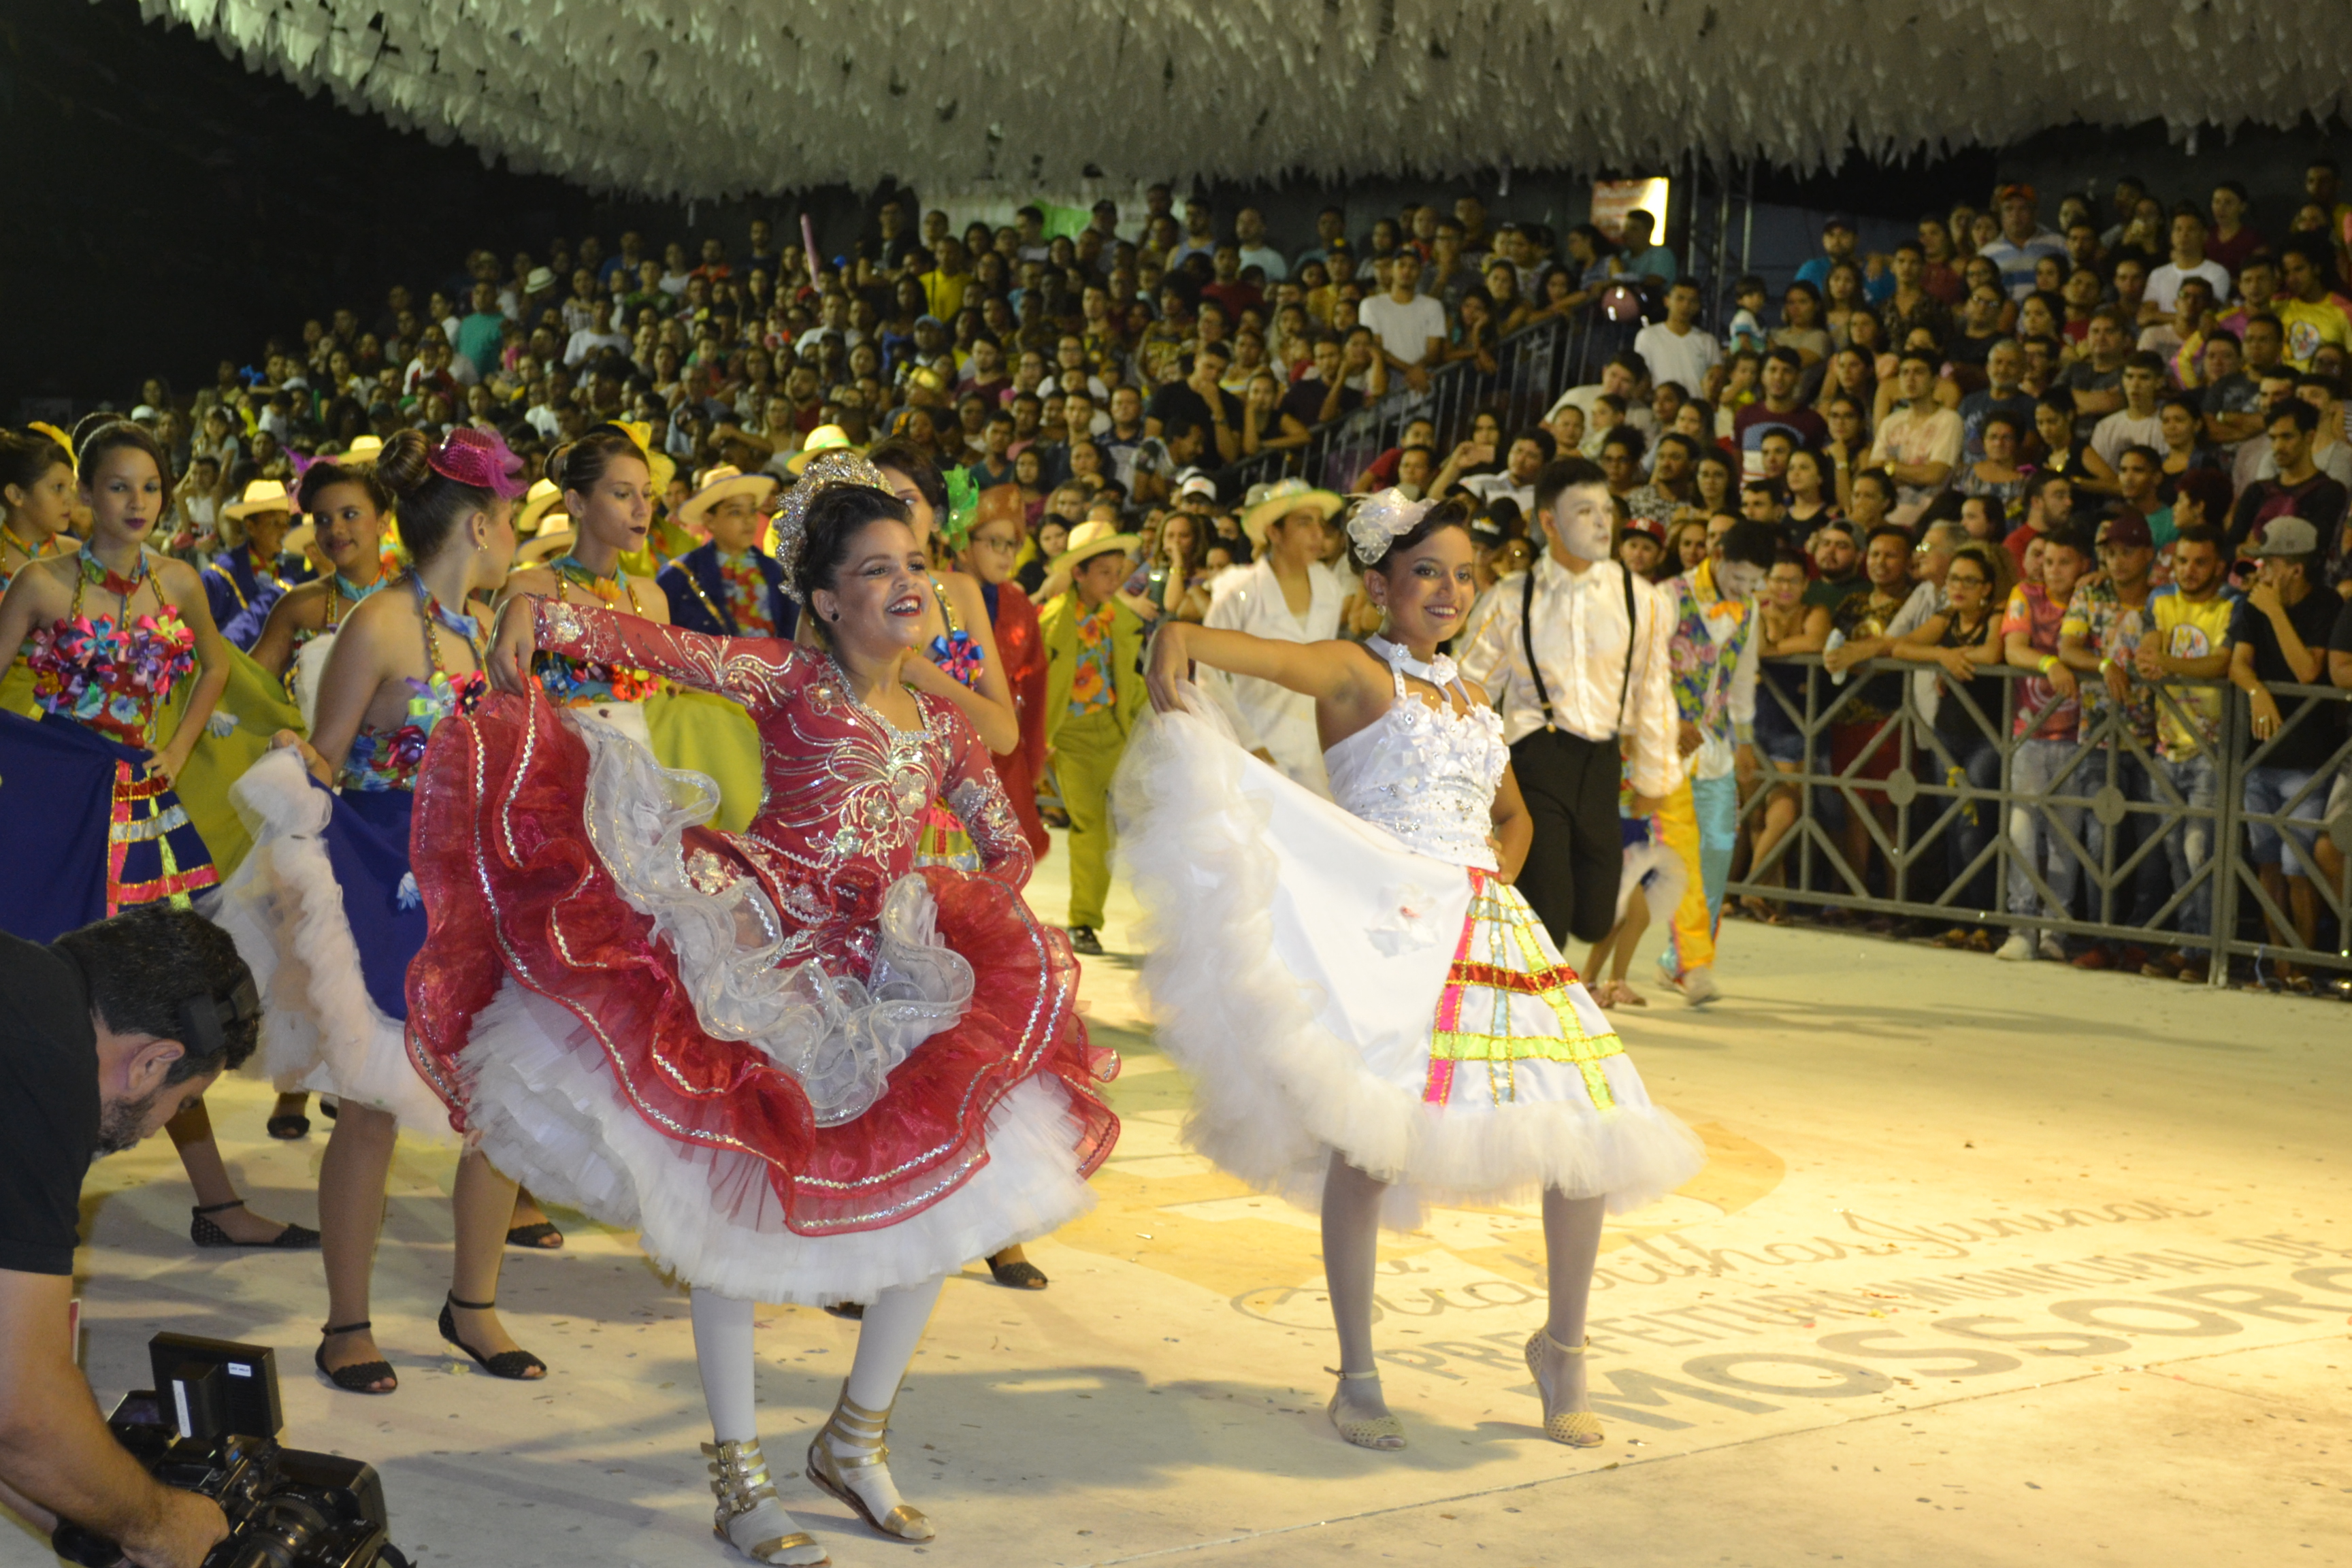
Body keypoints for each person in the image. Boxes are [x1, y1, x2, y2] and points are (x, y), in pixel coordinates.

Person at [420, 454, 1119, 1565]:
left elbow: (1010, 841)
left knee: (937, 1201)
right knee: (735, 1222)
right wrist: (527, 601)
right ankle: (740, 1477)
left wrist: (953, 903)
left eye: (918, 563)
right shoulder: (787, 680)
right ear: (829, 598)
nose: (907, 582)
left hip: (887, 979)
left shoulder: (942, 728)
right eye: (876, 567)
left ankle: (856, 1435)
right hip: (760, 959)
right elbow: (638, 643)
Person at [1122, 491, 1703, 1454]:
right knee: (1372, 1144)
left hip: (1487, 929)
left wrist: (1489, 882)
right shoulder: (1354, 673)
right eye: (1427, 571)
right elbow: (1212, 645)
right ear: (1380, 583)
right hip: (1388, 933)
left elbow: (1510, 816)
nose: (1450, 590)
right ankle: (1357, 1370)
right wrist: (1171, 643)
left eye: (1465, 574)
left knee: (1591, 1129)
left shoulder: (1473, 700)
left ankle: (1563, 1350)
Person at [206, 427, 548, 1395]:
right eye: (513, 518)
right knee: (369, 1108)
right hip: (387, 878)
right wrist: (293, 764)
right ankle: (347, 1320)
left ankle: (473, 1304)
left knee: (499, 1106)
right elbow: (329, 748)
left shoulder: (491, 624)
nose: (518, 534)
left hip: (482, 882)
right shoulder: (378, 624)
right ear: (479, 524)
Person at [0, 905, 261, 1568]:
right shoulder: (48, 1069)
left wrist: (103, 1534)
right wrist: (160, 1524)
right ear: (152, 1063)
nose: (159, 1127)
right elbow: (20, 1409)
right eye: (186, 1102)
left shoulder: (24, 989)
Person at [1458, 458, 1678, 954]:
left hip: (1602, 762)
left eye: (1605, 510)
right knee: (1548, 914)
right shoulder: (1513, 599)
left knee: (1597, 917)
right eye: (1585, 511)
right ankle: (1541, 1011)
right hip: (1535, 758)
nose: (1602, 523)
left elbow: (1653, 689)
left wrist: (1654, 776)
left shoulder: (1639, 598)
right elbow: (1470, 688)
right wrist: (1467, 772)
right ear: (1550, 522)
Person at [1648, 521, 1772, 1004]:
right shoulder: (1667, 596)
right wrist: (1667, 720)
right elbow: (1643, 668)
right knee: (1680, 857)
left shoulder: (1749, 609)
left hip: (1715, 748)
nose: (1745, 589)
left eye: (1754, 582)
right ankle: (1693, 966)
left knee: (1718, 850)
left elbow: (1742, 678)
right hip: (1664, 749)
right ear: (1718, 555)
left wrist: (1744, 741)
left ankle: (1677, 961)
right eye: (1739, 577)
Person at [2229, 517, 2336, 990]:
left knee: (2299, 867)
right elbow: (2238, 664)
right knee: (2267, 862)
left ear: (2293, 567)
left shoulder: (2325, 605)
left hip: (2308, 759)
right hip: (2260, 757)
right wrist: (2256, 692)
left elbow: (2308, 670)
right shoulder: (2254, 604)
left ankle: (2302, 964)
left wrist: (2275, 614)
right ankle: (2275, 964)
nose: (2262, 570)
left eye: (2269, 561)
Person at [2137, 525, 2240, 984]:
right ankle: (2190, 944)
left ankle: (2211, 948)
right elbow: (2147, 646)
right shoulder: (2159, 599)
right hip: (2168, 741)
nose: (2190, 571)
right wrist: (2151, 655)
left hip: (2212, 744)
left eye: (2200, 562)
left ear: (2218, 565)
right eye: (2182, 561)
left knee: (2202, 849)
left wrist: (2169, 664)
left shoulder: (2231, 604)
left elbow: (2221, 662)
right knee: (2177, 852)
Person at [1041, 519, 1148, 956]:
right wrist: (1039, 737)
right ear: (1079, 573)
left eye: (1118, 571)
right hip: (1069, 735)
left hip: (1115, 729)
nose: (1115, 580)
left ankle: (1091, 920)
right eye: (1105, 572)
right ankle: (1084, 921)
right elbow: (1035, 683)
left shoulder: (1119, 617)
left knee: (1115, 829)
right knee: (1092, 829)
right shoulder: (1052, 619)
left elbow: (1128, 679)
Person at [1198, 481, 1345, 795]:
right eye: (1304, 523)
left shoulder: (1330, 588)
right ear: (1274, 533)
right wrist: (1246, 742)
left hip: (1310, 750)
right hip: (1254, 738)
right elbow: (1208, 673)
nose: (1318, 533)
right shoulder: (1239, 592)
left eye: (1320, 523)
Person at [1994, 525, 2093, 962]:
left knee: (2065, 837)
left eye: (2064, 562)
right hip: (2029, 732)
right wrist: (2051, 662)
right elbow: (2015, 649)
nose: (2053, 571)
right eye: (2047, 561)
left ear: (2083, 565)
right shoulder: (2025, 595)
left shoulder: (2092, 600)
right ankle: (2021, 926)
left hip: (2080, 734)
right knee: (2021, 827)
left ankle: (2056, 929)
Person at [956, 486, 1051, 860]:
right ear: (964, 543)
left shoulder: (1018, 604)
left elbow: (1036, 683)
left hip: (1003, 751)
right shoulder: (937, 593)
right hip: (951, 750)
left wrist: (1034, 756)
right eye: (995, 543)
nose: (1007, 555)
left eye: (1012, 545)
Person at [657, 463, 794, 640]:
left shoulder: (776, 573)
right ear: (709, 520)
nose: (748, 520)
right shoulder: (679, 576)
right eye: (735, 512)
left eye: (752, 510)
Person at [1633, 280, 1722, 404]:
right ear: (1667, 301)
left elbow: (1716, 378)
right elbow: (1642, 377)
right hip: (1661, 409)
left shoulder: (1707, 341)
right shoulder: (1648, 336)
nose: (1686, 305)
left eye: (1692, 301)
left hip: (1696, 411)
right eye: (1680, 299)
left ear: (1698, 306)